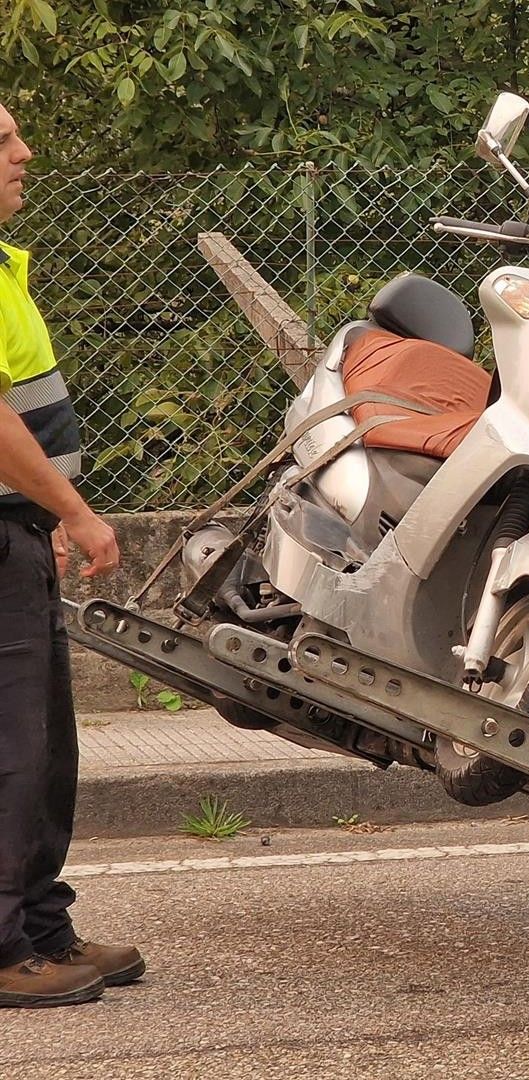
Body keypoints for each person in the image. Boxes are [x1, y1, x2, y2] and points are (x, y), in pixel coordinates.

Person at [0, 100, 144, 1009]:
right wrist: (78, 513)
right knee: (11, 749)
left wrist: (40, 513)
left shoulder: (5, 266)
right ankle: (6, 946)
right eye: (3, 141)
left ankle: (43, 927)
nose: (26, 150)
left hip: (14, 529)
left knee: (45, 746)